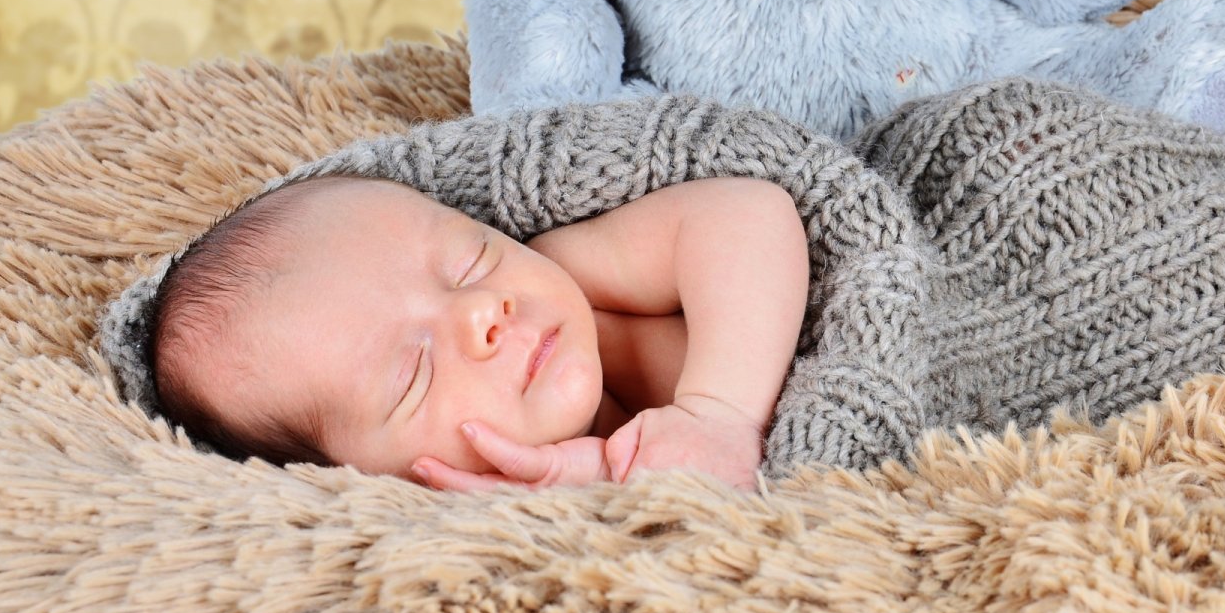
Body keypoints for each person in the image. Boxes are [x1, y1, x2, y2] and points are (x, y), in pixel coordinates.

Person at [149, 173, 809, 493]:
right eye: (415, 372)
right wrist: (607, 479)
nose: (479, 312)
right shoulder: (493, 522)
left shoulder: (579, 276)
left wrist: (717, 414)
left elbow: (746, 216)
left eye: (472, 260)